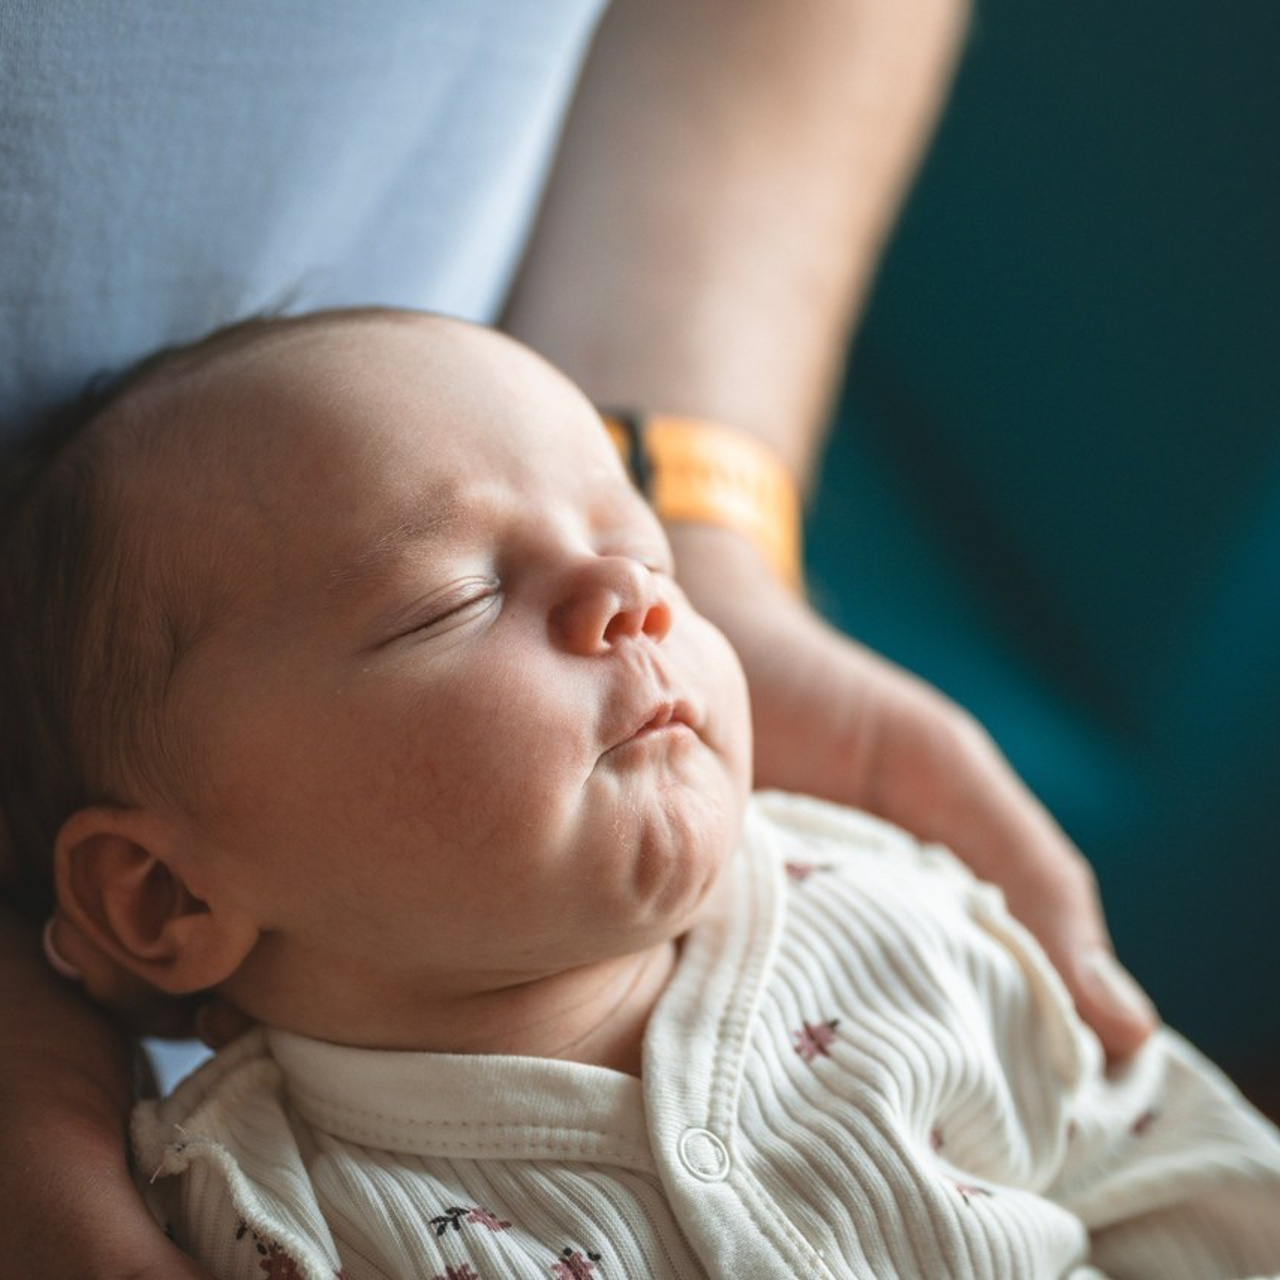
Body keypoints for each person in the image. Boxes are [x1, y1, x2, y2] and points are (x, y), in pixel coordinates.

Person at [0, 4, 1156, 1275]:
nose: (631, 593)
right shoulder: (252, 1220)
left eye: (644, 542)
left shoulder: (900, 921)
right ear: (167, 894)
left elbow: (1192, 1188)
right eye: (450, 598)